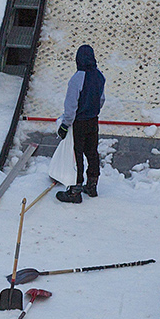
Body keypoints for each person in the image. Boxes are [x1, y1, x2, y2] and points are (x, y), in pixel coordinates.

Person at [55, 44, 103, 202]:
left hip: (79, 122)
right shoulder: (99, 76)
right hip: (93, 120)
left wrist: (65, 125)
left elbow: (71, 106)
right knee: (92, 152)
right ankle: (92, 185)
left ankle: (75, 191)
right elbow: (101, 99)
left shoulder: (77, 78)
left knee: (77, 155)